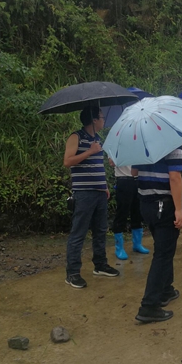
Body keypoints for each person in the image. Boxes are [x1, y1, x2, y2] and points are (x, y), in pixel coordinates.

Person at [64, 106, 119, 289]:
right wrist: (89, 151)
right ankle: (72, 273)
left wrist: (104, 186)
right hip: (84, 193)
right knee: (79, 232)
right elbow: (67, 161)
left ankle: (100, 265)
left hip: (99, 192)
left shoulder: (98, 139)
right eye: (101, 117)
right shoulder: (76, 137)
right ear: (94, 120)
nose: (104, 120)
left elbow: (98, 165)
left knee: (101, 230)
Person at [132, 147, 182, 323]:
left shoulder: (142, 145)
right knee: (163, 254)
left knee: (163, 248)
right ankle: (149, 306)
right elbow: (175, 177)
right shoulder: (173, 146)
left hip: (146, 205)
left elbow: (133, 172)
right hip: (164, 206)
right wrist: (179, 209)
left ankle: (166, 290)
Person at [109, 160, 150, 260]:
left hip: (138, 179)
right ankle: (119, 248)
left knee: (137, 212)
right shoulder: (116, 148)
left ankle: (137, 244)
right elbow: (112, 163)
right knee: (122, 213)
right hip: (123, 180)